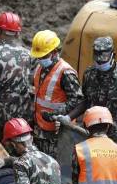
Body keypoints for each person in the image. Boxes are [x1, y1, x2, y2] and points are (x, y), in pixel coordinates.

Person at [59, 36, 117, 152]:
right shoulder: (89, 74)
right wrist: (69, 117)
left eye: (103, 61)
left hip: (112, 139)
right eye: (97, 61)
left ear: (113, 56)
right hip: (88, 133)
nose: (100, 63)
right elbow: (86, 101)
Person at [0, 12, 35, 142]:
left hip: (0, 115)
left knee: (0, 150)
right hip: (24, 115)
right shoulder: (28, 54)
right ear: (16, 33)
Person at [31, 30, 83, 159]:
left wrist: (59, 113)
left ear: (54, 52)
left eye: (44, 56)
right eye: (39, 56)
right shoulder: (40, 68)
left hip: (58, 131)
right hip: (40, 129)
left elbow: (77, 99)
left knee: (56, 165)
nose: (41, 59)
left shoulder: (65, 72)